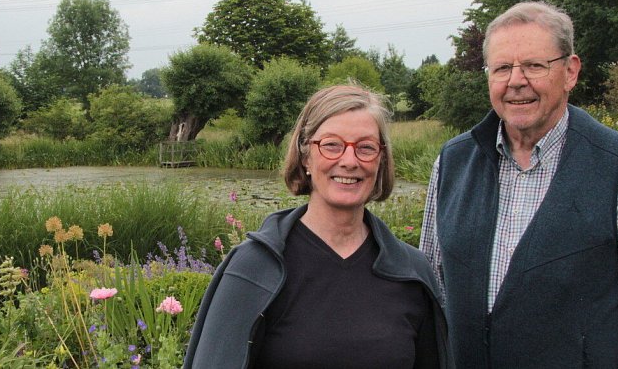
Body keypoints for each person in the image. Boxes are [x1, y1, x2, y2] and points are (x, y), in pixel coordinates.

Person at [418, 1, 618, 368]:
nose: (516, 81)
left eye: (534, 65)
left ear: (570, 72)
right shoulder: (452, 163)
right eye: (502, 68)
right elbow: (431, 299)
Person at [184, 85, 451, 369]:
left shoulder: (412, 273)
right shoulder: (254, 269)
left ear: (381, 160)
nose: (349, 161)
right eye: (332, 145)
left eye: (366, 148)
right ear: (305, 156)